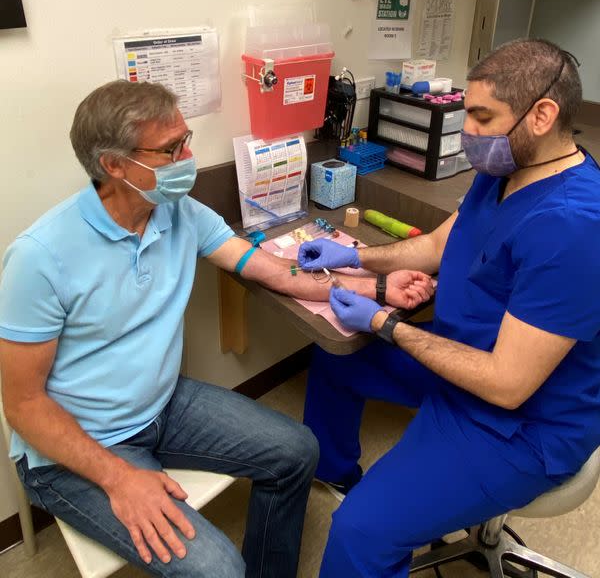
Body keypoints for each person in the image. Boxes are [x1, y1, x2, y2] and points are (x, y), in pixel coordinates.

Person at [0, 79, 433, 578]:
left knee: (298, 451)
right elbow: (24, 406)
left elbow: (272, 270)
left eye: (187, 139)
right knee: (218, 569)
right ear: (113, 166)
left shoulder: (178, 211)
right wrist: (119, 479)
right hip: (79, 445)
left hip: (160, 406)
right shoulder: (41, 257)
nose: (189, 156)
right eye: (171, 149)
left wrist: (375, 288)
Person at [297, 39, 600, 578]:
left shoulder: (573, 226)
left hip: (518, 422)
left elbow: (508, 383)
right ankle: (342, 474)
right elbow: (440, 245)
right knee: (336, 359)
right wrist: (356, 256)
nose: (471, 133)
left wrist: (387, 326)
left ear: (543, 115)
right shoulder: (505, 170)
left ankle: (377, 515)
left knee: (360, 534)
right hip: (461, 362)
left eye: (483, 117)